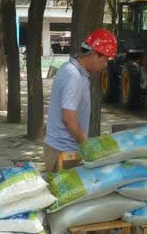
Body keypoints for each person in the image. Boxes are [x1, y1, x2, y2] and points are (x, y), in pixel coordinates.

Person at [43, 28, 117, 173]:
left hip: (62, 149)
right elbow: (68, 117)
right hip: (63, 153)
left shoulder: (70, 69)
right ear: (94, 54)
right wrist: (87, 146)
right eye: (104, 60)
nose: (104, 66)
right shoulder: (74, 76)